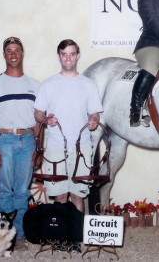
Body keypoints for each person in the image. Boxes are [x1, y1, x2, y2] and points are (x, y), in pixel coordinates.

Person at [34, 39, 103, 254]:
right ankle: (60, 237)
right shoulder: (48, 84)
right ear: (59, 56)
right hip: (55, 148)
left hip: (82, 148)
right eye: (64, 54)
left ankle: (75, 238)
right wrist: (47, 119)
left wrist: (93, 120)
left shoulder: (88, 84)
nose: (68, 58)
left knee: (78, 196)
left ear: (78, 55)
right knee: (60, 195)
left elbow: (95, 113)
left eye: (72, 54)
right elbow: (37, 113)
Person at [0, 36, 41, 251]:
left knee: (23, 191)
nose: (13, 54)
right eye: (9, 50)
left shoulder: (34, 85)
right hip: (4, 140)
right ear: (4, 55)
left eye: (17, 50)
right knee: (5, 190)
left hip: (27, 141)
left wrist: (39, 147)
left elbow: (37, 121)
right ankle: (2, 238)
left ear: (22, 54)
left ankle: (20, 236)